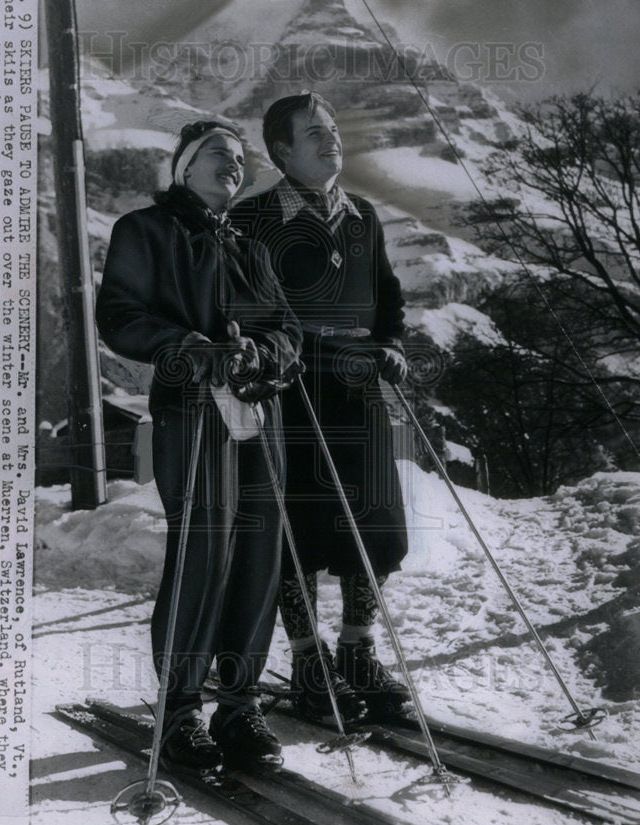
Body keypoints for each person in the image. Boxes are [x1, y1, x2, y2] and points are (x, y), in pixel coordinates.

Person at [96, 120, 303, 771]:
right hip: (192, 407)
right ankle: (180, 711)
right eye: (218, 153)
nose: (233, 164)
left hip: (257, 413)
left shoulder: (251, 248)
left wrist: (263, 354)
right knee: (203, 551)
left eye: (240, 158)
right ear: (183, 167)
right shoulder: (145, 231)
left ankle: (239, 708)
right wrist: (185, 346)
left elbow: (287, 332)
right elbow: (121, 315)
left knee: (258, 555)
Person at [232, 93, 412, 724]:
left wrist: (391, 347)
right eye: (314, 132)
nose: (330, 138)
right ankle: (310, 665)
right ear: (282, 150)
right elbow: (246, 308)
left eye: (332, 127)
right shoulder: (253, 219)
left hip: (358, 391)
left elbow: (387, 295)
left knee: (379, 526)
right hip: (290, 391)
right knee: (297, 533)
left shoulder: (363, 215)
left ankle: (358, 652)